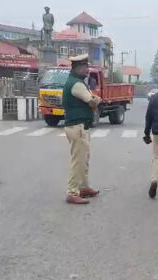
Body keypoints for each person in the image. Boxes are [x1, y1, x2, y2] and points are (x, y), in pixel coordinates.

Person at [62, 54, 101, 204]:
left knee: (84, 159)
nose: (88, 70)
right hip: (77, 127)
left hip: (79, 126)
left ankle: (84, 187)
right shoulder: (77, 84)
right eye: (85, 68)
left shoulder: (74, 82)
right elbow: (91, 102)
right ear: (78, 68)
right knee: (78, 161)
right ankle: (72, 192)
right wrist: (97, 100)